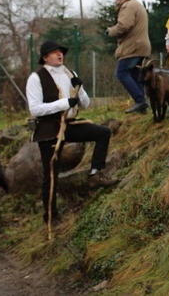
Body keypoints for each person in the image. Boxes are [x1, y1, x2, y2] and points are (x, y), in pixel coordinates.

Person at [26, 41, 117, 224]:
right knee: (51, 172)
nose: (60, 54)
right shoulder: (35, 78)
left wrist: (80, 89)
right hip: (49, 129)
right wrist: (64, 103)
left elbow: (85, 104)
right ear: (45, 57)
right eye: (54, 52)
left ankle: (95, 174)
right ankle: (51, 215)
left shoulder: (70, 74)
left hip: (69, 124)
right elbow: (35, 109)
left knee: (103, 133)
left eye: (61, 51)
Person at [106, 0, 151, 114]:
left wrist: (110, 31)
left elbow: (123, 26)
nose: (115, 3)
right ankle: (142, 108)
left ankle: (140, 101)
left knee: (121, 73)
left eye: (116, 0)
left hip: (133, 47)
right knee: (136, 76)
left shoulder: (127, 6)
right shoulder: (137, 5)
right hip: (141, 46)